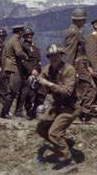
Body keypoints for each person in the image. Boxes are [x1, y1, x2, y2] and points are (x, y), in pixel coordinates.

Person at [36, 44, 80, 173]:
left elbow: (67, 91)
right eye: (51, 56)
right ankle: (67, 144)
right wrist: (36, 80)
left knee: (54, 133)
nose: (53, 58)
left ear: (61, 56)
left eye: (56, 55)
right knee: (41, 128)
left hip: (70, 107)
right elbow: (40, 77)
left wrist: (49, 84)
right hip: (57, 105)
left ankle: (69, 162)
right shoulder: (48, 69)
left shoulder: (69, 70)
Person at [65, 8, 96, 124]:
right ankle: (85, 114)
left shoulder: (77, 31)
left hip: (82, 64)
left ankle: (82, 113)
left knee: (84, 89)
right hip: (78, 65)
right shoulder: (74, 32)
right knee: (90, 87)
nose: (84, 22)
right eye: (83, 20)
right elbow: (70, 51)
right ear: (79, 20)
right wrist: (69, 69)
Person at [0, 25, 27, 119]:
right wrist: (25, 56)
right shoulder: (15, 41)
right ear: (20, 32)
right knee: (13, 91)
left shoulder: (9, 41)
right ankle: (5, 112)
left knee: (11, 90)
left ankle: (5, 111)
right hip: (13, 68)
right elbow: (19, 53)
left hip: (8, 67)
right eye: (22, 32)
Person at [18, 27, 43, 120]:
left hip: (37, 72)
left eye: (30, 34)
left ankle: (33, 111)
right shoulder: (23, 46)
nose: (29, 36)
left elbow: (38, 61)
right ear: (24, 36)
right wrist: (30, 71)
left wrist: (38, 71)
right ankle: (22, 110)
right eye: (27, 35)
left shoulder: (35, 48)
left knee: (37, 93)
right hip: (27, 73)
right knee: (26, 92)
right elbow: (23, 61)